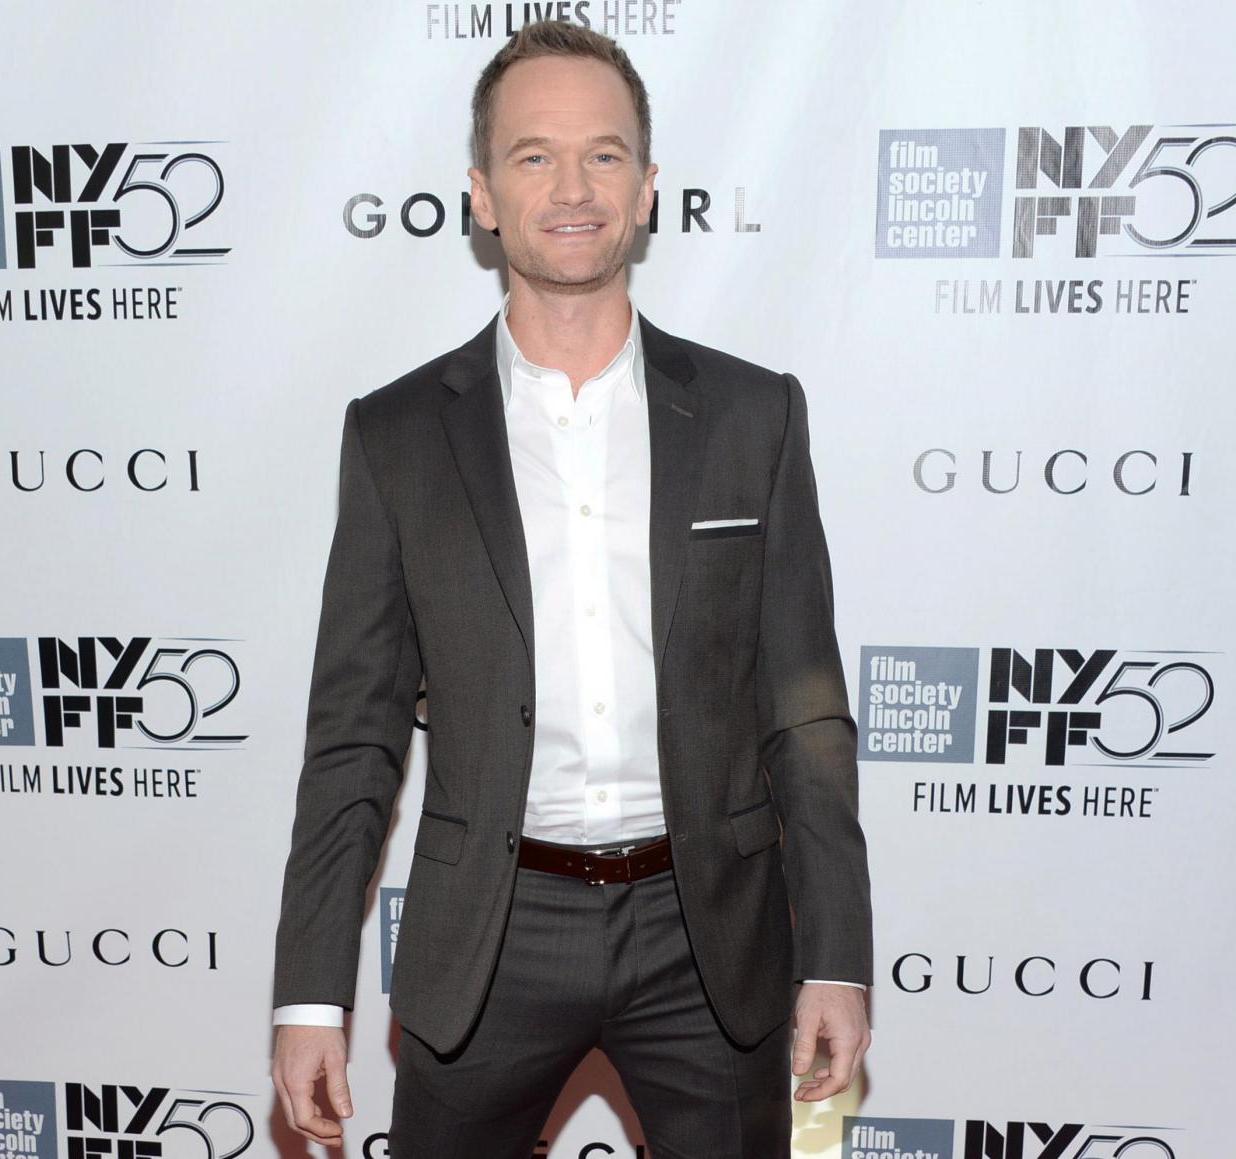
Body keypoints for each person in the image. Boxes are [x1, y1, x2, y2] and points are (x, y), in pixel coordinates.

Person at [271, 20, 872, 1158]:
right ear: (482, 195)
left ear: (645, 188)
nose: (572, 188)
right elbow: (353, 735)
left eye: (603, 154)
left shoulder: (754, 416)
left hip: (709, 932)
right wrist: (309, 993)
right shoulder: (398, 435)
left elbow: (805, 712)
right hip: (489, 935)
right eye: (533, 155)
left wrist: (835, 954)